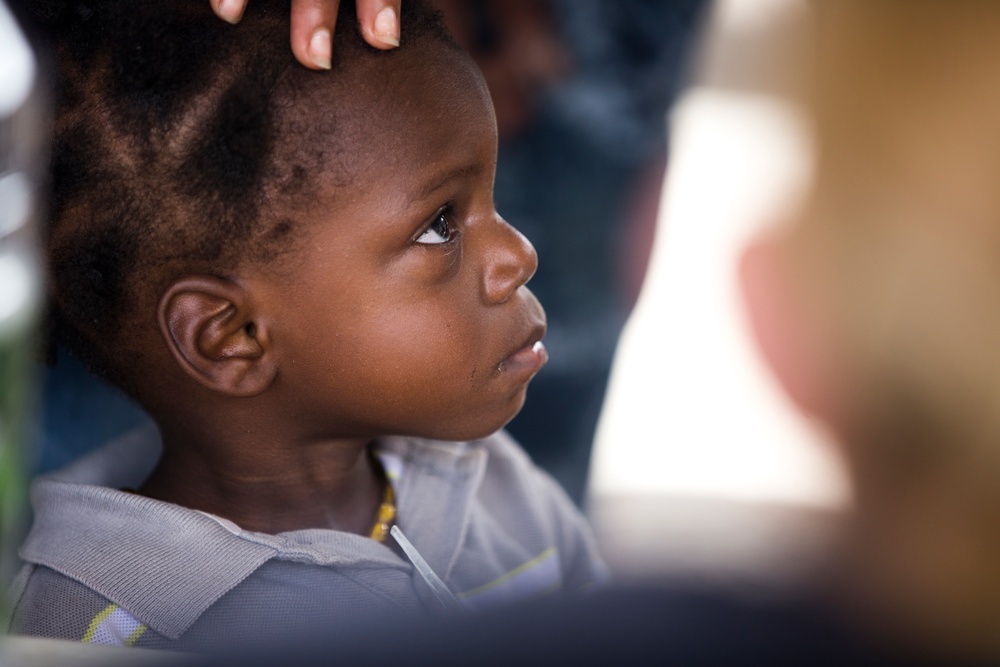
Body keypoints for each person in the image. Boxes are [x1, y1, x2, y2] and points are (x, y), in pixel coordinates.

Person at [7, 0, 606, 652]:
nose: (520, 254)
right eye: (440, 225)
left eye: (494, 199)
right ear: (232, 336)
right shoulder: (95, 628)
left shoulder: (497, 487)